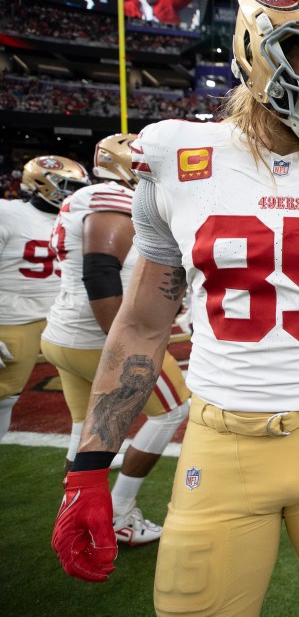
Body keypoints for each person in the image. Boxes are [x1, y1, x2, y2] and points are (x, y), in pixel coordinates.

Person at [51, 0, 299, 614]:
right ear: (263, 49)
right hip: (222, 437)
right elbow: (145, 324)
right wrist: (90, 465)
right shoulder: (178, 156)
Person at [41, 133, 190, 547]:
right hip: (97, 337)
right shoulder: (114, 199)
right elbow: (101, 270)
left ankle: (75, 514)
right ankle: (120, 512)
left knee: (83, 428)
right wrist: (121, 345)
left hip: (65, 334)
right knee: (174, 411)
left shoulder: (84, 198)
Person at [0, 156, 88, 442]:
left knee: (86, 396)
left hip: (61, 319)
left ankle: (81, 461)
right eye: (67, 186)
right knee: (4, 397)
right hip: (13, 320)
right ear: (41, 184)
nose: (74, 193)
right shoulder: (8, 213)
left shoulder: (79, 218)